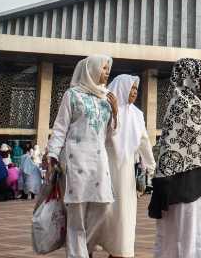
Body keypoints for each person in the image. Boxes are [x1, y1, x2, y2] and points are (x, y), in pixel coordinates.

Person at [47, 55, 118, 258]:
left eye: (107, 68)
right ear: (92, 70)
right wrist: (52, 156)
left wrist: (115, 112)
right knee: (76, 214)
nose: (107, 72)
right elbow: (60, 128)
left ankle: (83, 250)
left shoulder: (106, 97)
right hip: (75, 159)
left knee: (104, 207)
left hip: (98, 160)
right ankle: (77, 254)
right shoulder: (73, 95)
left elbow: (111, 135)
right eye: (104, 68)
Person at [149, 58, 201, 258]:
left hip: (194, 183)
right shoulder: (184, 104)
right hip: (183, 184)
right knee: (185, 236)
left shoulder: (191, 102)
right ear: (192, 78)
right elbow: (196, 141)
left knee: (196, 234)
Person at [99, 74, 155, 258]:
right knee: (102, 211)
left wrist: (151, 166)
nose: (134, 93)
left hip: (125, 173)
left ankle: (119, 251)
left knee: (124, 213)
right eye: (131, 88)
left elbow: (144, 141)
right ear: (121, 88)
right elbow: (104, 135)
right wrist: (114, 112)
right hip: (105, 167)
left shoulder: (137, 114)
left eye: (136, 90)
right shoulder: (105, 108)